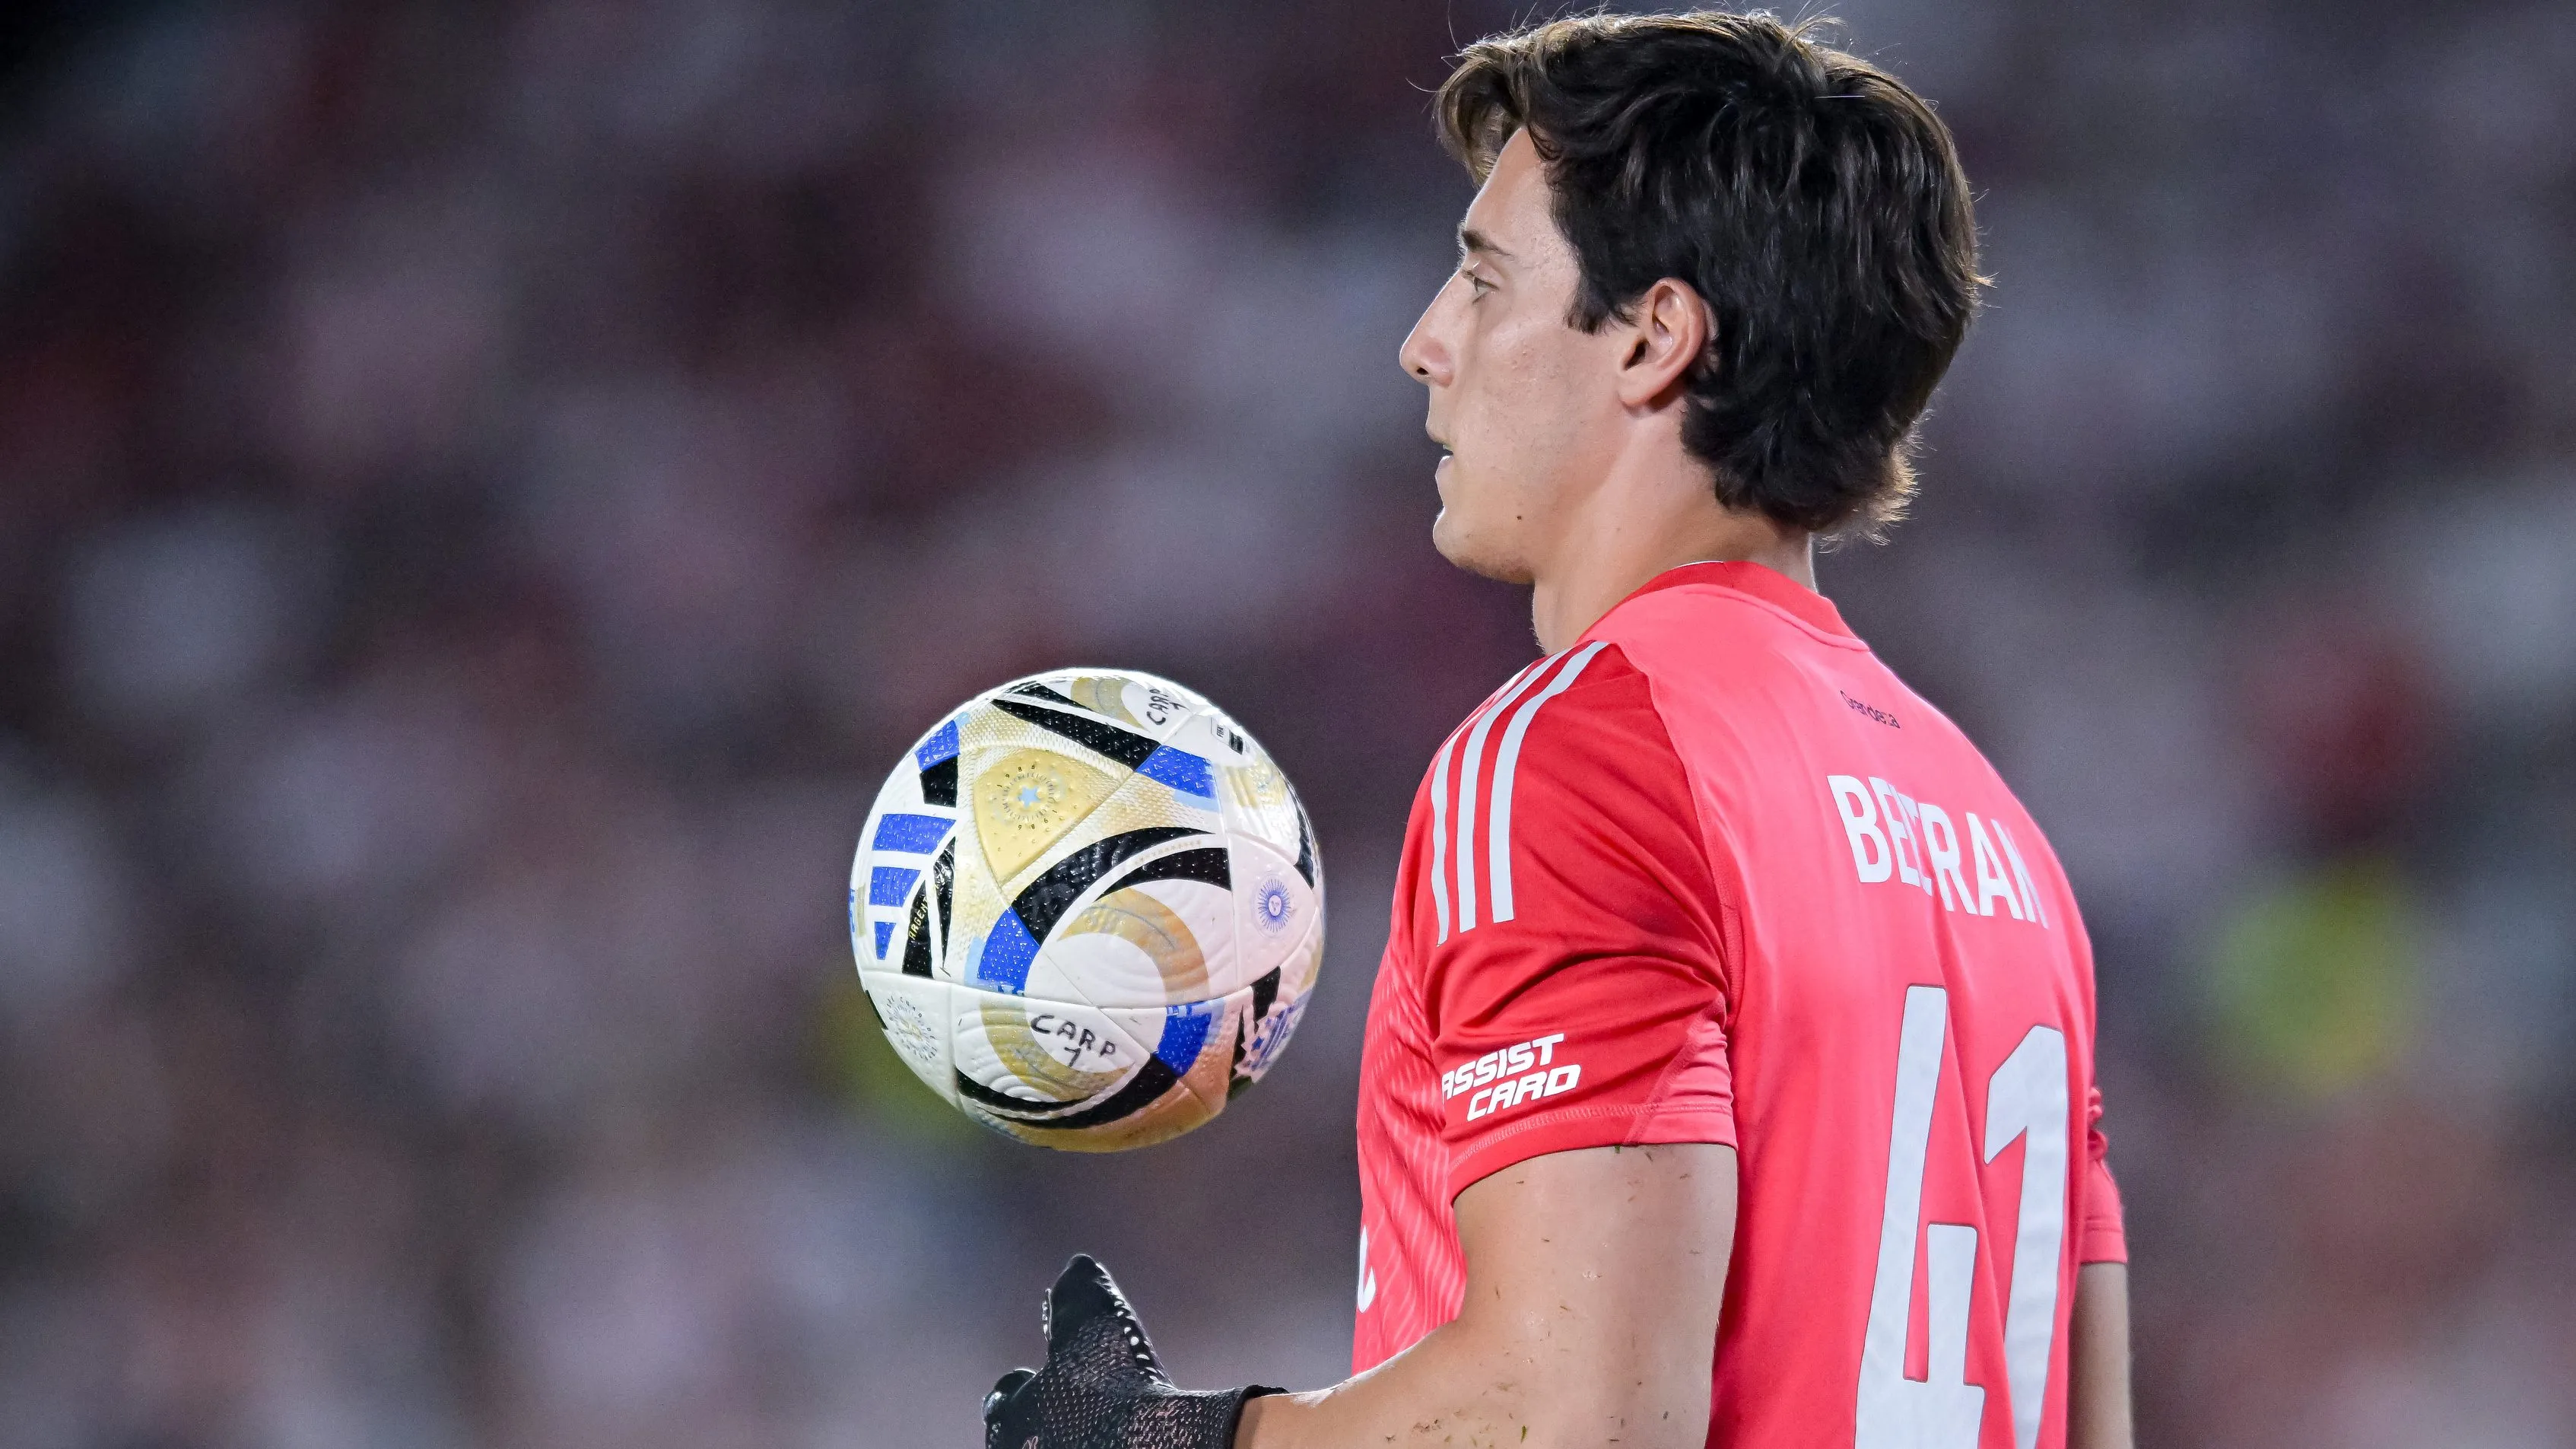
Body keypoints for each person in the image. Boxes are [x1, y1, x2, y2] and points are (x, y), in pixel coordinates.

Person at [983, 11, 2132, 1448]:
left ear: (1654, 339)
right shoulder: (2004, 848)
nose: (1423, 344)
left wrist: (1187, 1439)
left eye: (1483, 280)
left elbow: (1584, 1410)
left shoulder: (1579, 755)